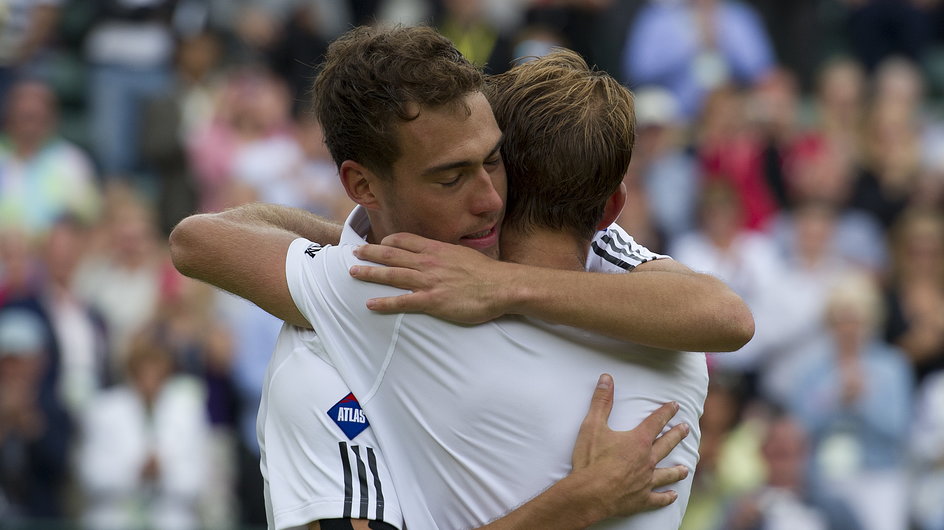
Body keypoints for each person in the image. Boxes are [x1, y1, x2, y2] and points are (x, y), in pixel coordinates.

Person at [170, 25, 753, 529]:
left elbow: (200, 238)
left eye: (493, 162)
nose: (487, 198)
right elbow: (727, 317)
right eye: (452, 177)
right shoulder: (666, 322)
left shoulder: (389, 300)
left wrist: (498, 284)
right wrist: (577, 501)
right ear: (610, 206)